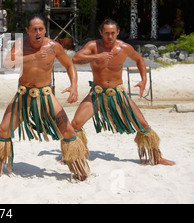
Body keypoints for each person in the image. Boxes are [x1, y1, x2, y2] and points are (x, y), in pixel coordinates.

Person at [0, 14, 90, 180]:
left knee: (68, 130)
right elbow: (8, 62)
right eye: (34, 29)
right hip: (23, 94)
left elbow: (69, 65)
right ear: (28, 30)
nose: (38, 32)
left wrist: (74, 85)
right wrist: (33, 57)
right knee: (4, 130)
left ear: (45, 29)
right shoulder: (21, 44)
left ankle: (78, 168)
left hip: (45, 94)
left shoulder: (53, 46)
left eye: (41, 29)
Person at [71, 18, 175, 166]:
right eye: (106, 33)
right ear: (101, 32)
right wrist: (97, 56)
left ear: (118, 32)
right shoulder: (93, 46)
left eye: (113, 33)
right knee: (75, 124)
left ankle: (156, 157)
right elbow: (76, 58)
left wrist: (143, 80)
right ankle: (72, 155)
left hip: (118, 93)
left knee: (143, 124)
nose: (110, 36)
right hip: (97, 93)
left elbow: (139, 60)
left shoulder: (124, 48)